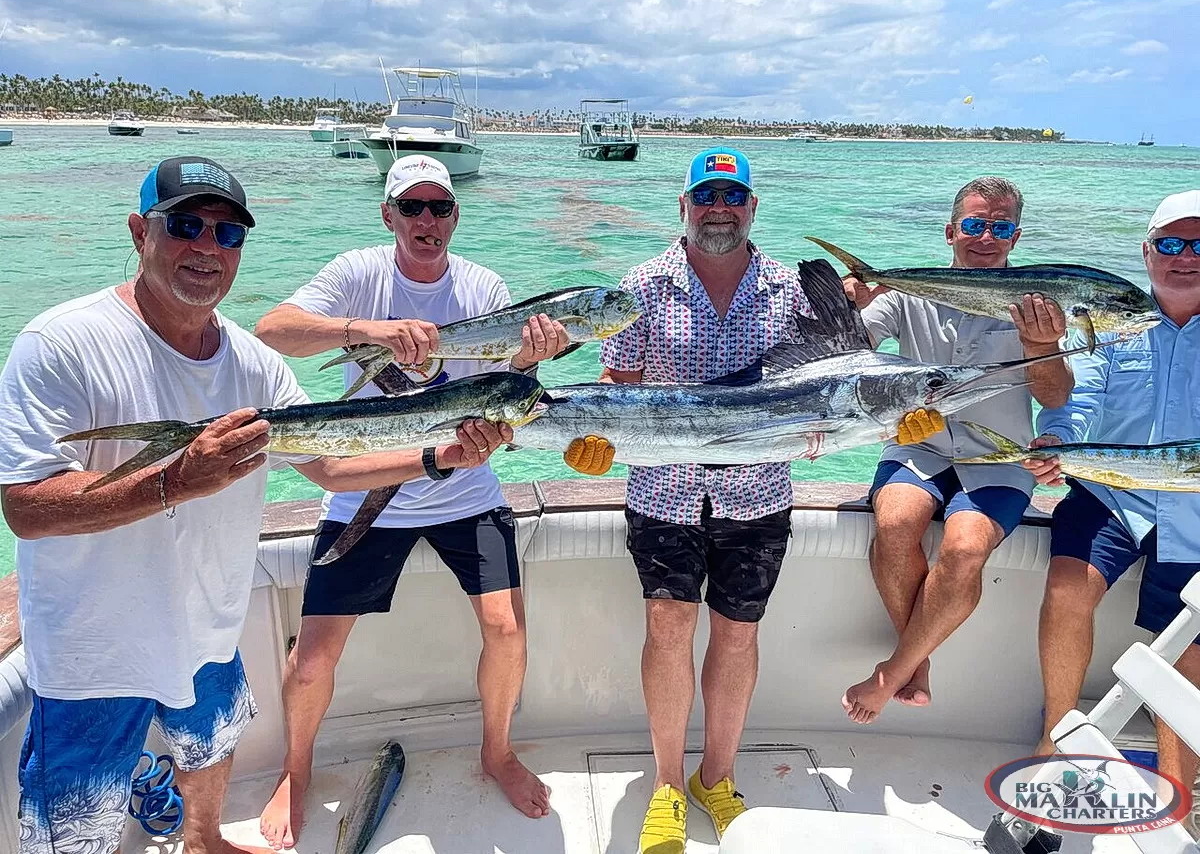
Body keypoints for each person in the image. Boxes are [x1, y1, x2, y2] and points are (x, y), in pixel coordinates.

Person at [0, 156, 511, 854]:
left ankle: (207, 843)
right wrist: (174, 483)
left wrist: (438, 457)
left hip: (208, 630)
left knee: (210, 751)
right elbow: (27, 507)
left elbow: (330, 467)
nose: (207, 248)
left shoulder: (251, 363)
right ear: (138, 231)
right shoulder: (61, 342)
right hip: (95, 655)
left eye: (227, 234)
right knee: (73, 831)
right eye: (185, 225)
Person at [562, 147, 943, 853]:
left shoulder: (795, 290)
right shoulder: (639, 284)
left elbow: (847, 382)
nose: (719, 207)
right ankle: (670, 787)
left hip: (758, 494)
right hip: (663, 491)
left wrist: (903, 413)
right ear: (683, 206)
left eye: (732, 196)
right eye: (705, 194)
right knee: (667, 629)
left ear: (752, 208)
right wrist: (597, 442)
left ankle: (719, 777)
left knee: (737, 634)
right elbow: (615, 390)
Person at [253, 155, 567, 847]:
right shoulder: (357, 273)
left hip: (465, 486)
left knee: (508, 630)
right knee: (313, 657)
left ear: (455, 216)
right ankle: (294, 770)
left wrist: (529, 361)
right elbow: (273, 331)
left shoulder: (484, 285)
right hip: (367, 482)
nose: (429, 220)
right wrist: (367, 330)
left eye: (441, 207)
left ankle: (497, 752)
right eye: (413, 207)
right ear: (389, 215)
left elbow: (507, 388)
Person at [839, 176, 1074, 724]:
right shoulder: (908, 293)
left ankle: (895, 672)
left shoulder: (1036, 304)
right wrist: (852, 302)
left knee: (965, 550)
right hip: (918, 448)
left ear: (1016, 237)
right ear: (951, 232)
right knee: (896, 525)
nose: (985, 237)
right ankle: (915, 666)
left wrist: (1042, 345)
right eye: (974, 224)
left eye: (1000, 227)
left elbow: (1056, 394)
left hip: (997, 458)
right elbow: (850, 350)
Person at [1026, 190, 1200, 794]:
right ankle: (1054, 738)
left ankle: (1176, 796)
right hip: (1113, 496)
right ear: (1148, 253)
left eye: (1199, 245)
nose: (1185, 256)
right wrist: (1055, 442)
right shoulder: (1111, 322)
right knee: (1068, 588)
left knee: (1187, 647)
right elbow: (1079, 401)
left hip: (1196, 509)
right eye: (1172, 244)